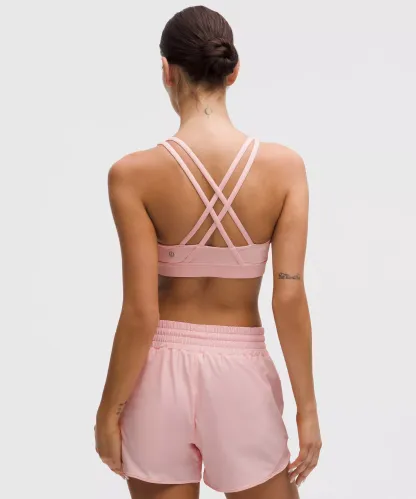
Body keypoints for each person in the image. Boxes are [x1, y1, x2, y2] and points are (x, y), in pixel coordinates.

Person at [95, 5, 321, 499]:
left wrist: (108, 412)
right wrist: (307, 409)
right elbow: (288, 298)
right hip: (240, 373)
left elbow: (140, 312)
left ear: (166, 71)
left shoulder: (132, 175)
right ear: (232, 71)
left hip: (157, 375)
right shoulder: (285, 169)